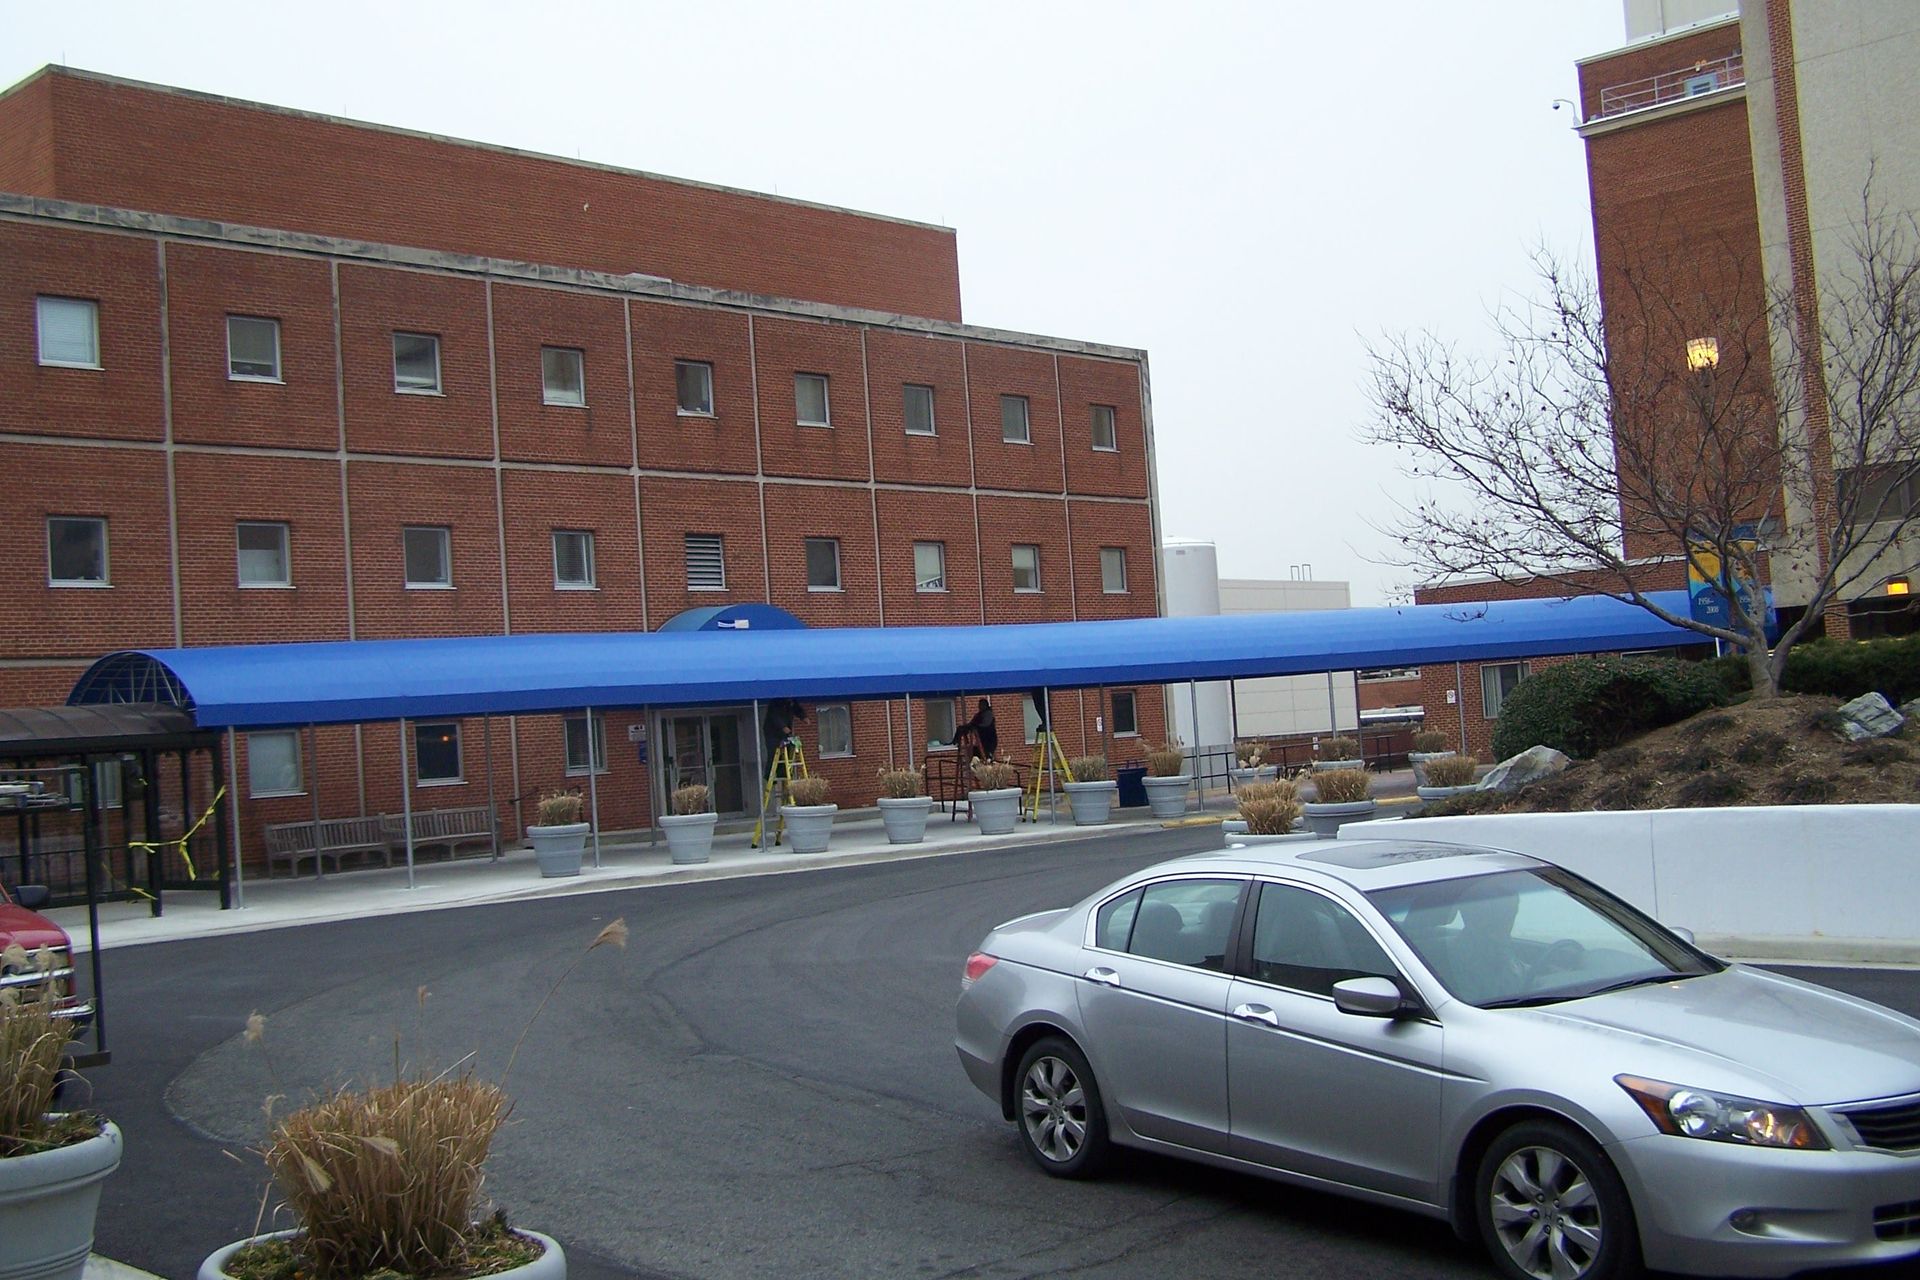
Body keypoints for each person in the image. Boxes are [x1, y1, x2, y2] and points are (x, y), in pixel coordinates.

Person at [761, 699, 806, 779]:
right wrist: (783, 726)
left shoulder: (791, 702)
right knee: (773, 753)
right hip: (772, 733)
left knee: (788, 751)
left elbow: (797, 709)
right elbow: (774, 716)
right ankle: (769, 775)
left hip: (785, 732)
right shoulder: (775, 703)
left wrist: (804, 717)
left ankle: (783, 772)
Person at [952, 697, 997, 763]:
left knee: (985, 754)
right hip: (981, 738)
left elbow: (986, 724)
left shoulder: (988, 714)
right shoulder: (979, 715)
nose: (979, 707)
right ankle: (955, 741)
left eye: (981, 705)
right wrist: (969, 727)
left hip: (988, 739)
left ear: (985, 705)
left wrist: (975, 727)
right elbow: (972, 723)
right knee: (960, 729)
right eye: (979, 705)